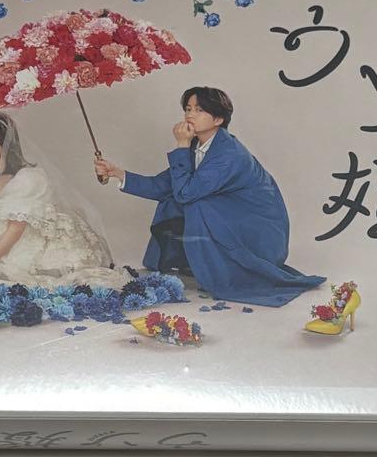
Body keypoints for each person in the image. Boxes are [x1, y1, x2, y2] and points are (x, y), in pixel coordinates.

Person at [93, 87, 325, 307]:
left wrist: (181, 145)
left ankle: (221, 270)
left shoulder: (228, 154)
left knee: (196, 204)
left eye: (199, 110)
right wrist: (117, 173)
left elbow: (185, 193)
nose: (190, 115)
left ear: (218, 119)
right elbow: (163, 186)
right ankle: (194, 262)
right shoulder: (197, 146)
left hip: (259, 231)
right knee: (173, 200)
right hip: (234, 218)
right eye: (188, 109)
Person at [0, 112, 130, 289]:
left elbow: (15, 230)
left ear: (5, 140)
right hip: (8, 236)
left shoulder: (28, 178)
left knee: (18, 272)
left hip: (35, 241)